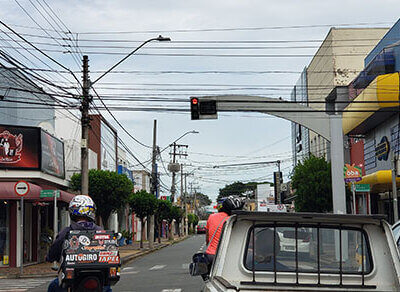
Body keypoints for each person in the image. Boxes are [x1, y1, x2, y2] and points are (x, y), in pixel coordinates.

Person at [47, 195, 111, 292]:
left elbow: (54, 250)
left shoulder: (66, 232)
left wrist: (50, 258)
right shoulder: (100, 231)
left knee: (53, 287)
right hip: (98, 277)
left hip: (73, 277)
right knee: (106, 288)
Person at [204, 196, 244, 265]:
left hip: (210, 255)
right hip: (225, 255)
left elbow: (207, 239)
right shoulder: (232, 220)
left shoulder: (212, 217)